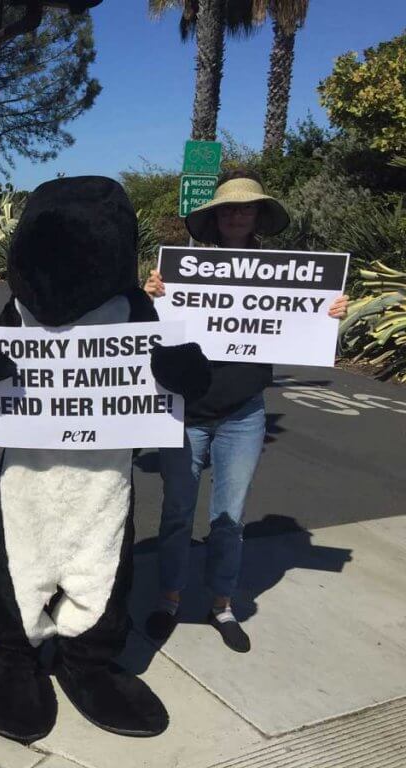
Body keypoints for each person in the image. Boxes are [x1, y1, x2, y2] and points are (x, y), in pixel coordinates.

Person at [143, 169, 347, 652]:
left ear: (258, 216)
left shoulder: (280, 271)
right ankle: (169, 599)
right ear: (215, 217)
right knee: (176, 512)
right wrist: (150, 296)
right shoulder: (182, 267)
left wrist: (330, 312)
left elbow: (303, 322)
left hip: (244, 414)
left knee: (230, 517)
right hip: (185, 412)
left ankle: (221, 604)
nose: (237, 215)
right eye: (229, 208)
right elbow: (150, 328)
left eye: (247, 208)